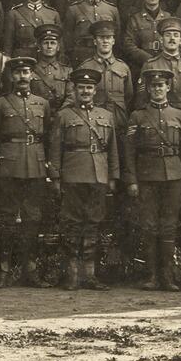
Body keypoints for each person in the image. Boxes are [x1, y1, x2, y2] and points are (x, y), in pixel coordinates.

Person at [123, 66, 181, 291]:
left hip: (174, 175)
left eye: (161, 85)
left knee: (169, 225)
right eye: (153, 86)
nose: (157, 89)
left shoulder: (180, 115)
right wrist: (132, 180)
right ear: (148, 89)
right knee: (149, 225)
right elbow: (129, 151)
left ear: (168, 87)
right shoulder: (137, 116)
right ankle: (152, 276)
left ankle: (168, 276)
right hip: (147, 176)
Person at [51, 68, 119, 291]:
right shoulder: (64, 116)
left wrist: (113, 176)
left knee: (93, 224)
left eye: (89, 88)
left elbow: (113, 150)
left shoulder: (106, 116)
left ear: (95, 90)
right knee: (72, 224)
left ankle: (89, 275)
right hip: (73, 173)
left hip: (98, 173)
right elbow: (55, 149)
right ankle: (71, 275)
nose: (85, 91)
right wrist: (56, 176)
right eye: (81, 88)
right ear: (75, 90)